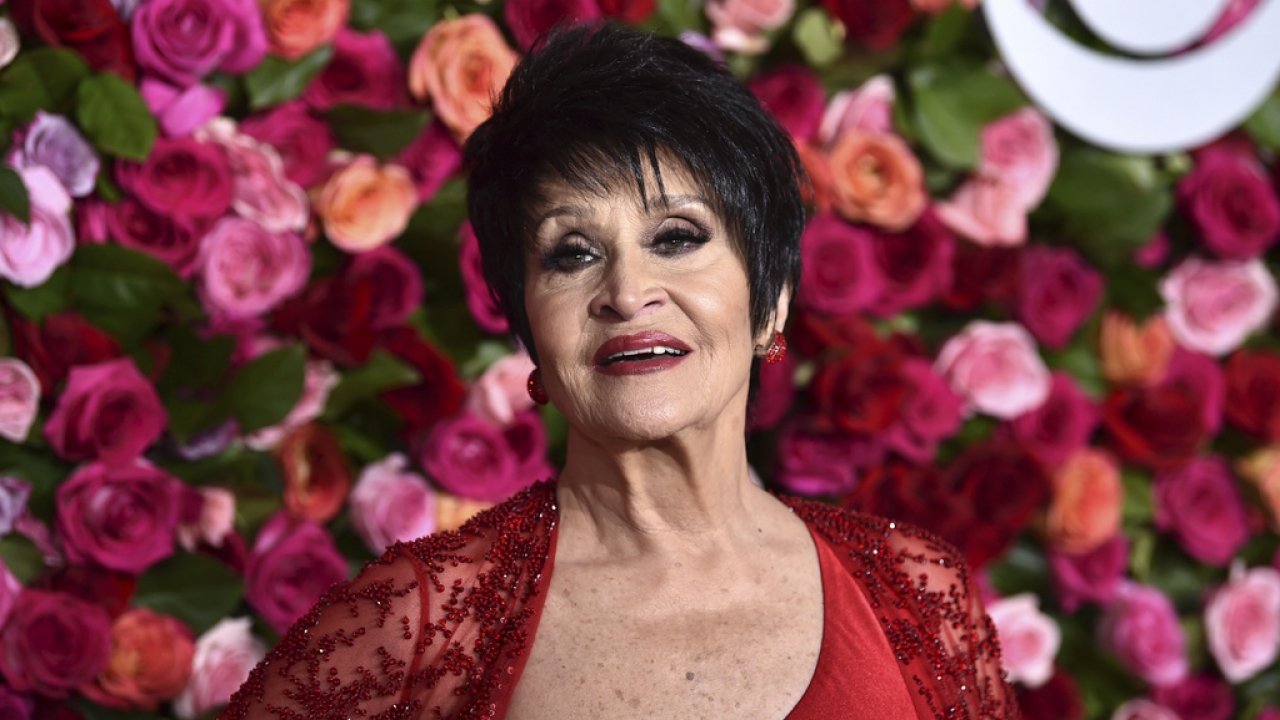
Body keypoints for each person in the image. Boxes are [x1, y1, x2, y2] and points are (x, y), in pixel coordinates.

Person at [219, 25, 1020, 720]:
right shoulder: (421, 624)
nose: (628, 293)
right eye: (572, 254)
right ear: (530, 326)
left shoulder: (914, 593)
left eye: (676, 236)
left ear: (770, 300)